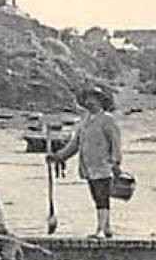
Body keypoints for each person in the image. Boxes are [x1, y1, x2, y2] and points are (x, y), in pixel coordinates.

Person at [49, 86, 123, 239]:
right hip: (88, 166)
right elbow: (74, 144)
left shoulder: (108, 120)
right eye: (88, 99)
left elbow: (115, 142)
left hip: (104, 165)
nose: (90, 102)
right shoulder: (84, 121)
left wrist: (116, 162)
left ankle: (101, 229)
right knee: (96, 196)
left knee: (102, 197)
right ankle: (106, 227)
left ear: (100, 102)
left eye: (93, 99)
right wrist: (58, 156)